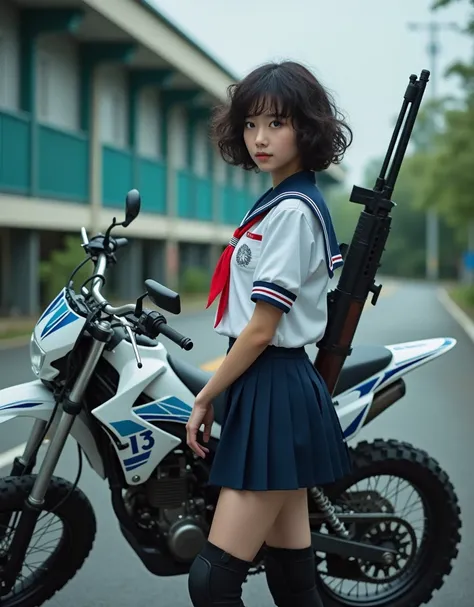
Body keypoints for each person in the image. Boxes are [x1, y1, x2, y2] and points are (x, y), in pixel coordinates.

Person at [185, 60, 353, 607]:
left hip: (273, 387)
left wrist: (207, 395)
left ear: (306, 129)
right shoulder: (283, 202)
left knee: (213, 581)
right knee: (292, 577)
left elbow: (260, 331)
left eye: (276, 124)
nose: (260, 138)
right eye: (252, 123)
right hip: (269, 388)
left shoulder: (292, 213)